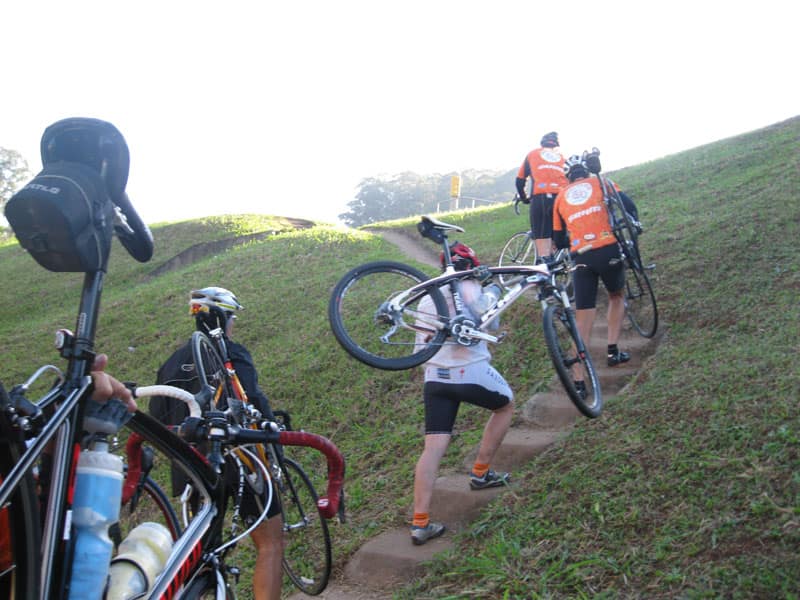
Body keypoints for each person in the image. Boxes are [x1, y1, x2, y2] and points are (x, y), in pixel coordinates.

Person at [149, 287, 283, 600]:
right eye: (233, 318)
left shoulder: (171, 363)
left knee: (202, 556)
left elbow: (157, 414)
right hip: (238, 456)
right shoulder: (231, 353)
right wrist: (273, 435)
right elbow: (251, 400)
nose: (234, 325)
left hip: (190, 469)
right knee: (270, 543)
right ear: (224, 318)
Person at [410, 242, 515, 545]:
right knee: (505, 406)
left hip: (434, 378)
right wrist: (492, 288)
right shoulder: (468, 284)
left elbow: (418, 349)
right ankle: (481, 473)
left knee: (432, 449)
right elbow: (491, 318)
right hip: (469, 371)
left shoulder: (427, 297)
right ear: (472, 266)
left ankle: (420, 523)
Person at [551, 154, 632, 387]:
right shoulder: (602, 182)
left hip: (581, 256)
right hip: (607, 249)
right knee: (616, 296)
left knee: (583, 319)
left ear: (568, 177)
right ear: (586, 171)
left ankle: (579, 381)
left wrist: (576, 237)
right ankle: (613, 351)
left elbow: (559, 239)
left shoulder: (560, 197)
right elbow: (628, 206)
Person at [515, 131, 569, 258]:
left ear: (542, 143)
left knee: (542, 237)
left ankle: (545, 262)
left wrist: (524, 198)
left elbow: (519, 181)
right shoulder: (563, 158)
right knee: (559, 236)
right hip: (562, 199)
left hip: (541, 198)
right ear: (556, 145)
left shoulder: (533, 154)